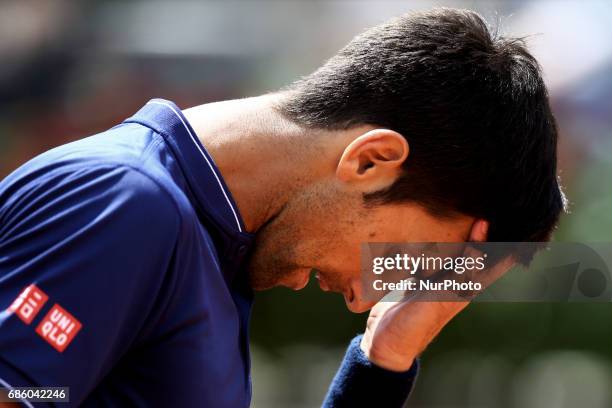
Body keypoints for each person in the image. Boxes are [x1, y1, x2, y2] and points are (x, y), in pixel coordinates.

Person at [0, 8, 564, 408]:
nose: (363, 295)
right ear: (371, 161)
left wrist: (383, 358)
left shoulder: (213, 241)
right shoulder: (126, 204)